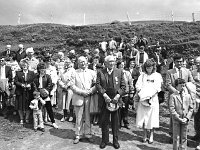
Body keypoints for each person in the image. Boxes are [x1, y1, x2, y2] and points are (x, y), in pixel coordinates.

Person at [96, 55, 125, 149]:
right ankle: (104, 140)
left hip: (115, 99)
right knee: (104, 121)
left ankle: (115, 141)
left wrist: (118, 95)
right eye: (110, 61)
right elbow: (98, 85)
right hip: (105, 100)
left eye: (113, 61)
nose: (112, 63)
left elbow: (123, 86)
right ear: (105, 63)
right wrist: (104, 95)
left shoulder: (119, 72)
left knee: (115, 122)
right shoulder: (101, 72)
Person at [166, 53, 194, 143]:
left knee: (185, 115)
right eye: (177, 62)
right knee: (173, 116)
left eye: (181, 61)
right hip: (174, 97)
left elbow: (191, 82)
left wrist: (186, 91)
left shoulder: (187, 71)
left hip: (185, 98)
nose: (179, 63)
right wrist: (176, 92)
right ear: (174, 62)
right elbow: (168, 84)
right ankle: (173, 136)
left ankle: (183, 136)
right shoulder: (170, 72)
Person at [135, 59, 163, 144]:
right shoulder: (142, 76)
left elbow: (158, 88)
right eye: (147, 67)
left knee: (152, 117)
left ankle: (151, 136)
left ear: (153, 67)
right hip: (143, 99)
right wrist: (142, 94)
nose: (148, 69)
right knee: (143, 117)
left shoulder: (157, 75)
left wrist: (150, 96)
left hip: (153, 99)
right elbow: (138, 85)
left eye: (150, 67)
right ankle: (144, 135)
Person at [71, 56, 96, 144]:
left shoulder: (92, 72)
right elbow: (72, 86)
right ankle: (78, 135)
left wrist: (90, 91)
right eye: (81, 62)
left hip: (89, 97)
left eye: (84, 61)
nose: (83, 63)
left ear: (87, 62)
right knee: (79, 117)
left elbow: (96, 84)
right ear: (78, 63)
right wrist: (82, 92)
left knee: (88, 117)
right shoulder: (74, 73)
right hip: (79, 97)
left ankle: (88, 134)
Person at [169, 78, 193, 150]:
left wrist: (187, 118)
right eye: (181, 86)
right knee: (176, 137)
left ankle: (183, 148)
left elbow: (191, 108)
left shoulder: (188, 96)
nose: (182, 87)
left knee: (184, 137)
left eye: (183, 86)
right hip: (177, 120)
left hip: (185, 119)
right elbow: (172, 109)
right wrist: (178, 118)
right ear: (176, 86)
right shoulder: (173, 96)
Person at [32, 62, 58, 129]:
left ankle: (53, 122)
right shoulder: (35, 76)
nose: (43, 70)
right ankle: (39, 123)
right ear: (39, 69)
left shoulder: (48, 76)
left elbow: (50, 85)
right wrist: (37, 93)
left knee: (49, 108)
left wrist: (46, 91)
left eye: (44, 69)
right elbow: (34, 85)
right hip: (38, 94)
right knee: (38, 109)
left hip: (45, 94)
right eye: (41, 69)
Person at [14, 59, 35, 124]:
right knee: (20, 105)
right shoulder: (18, 72)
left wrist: (30, 84)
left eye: (25, 65)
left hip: (28, 92)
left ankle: (27, 118)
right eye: (23, 65)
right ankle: (21, 119)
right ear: (21, 66)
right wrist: (21, 84)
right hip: (20, 91)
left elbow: (34, 81)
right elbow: (15, 81)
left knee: (28, 104)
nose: (24, 66)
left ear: (28, 65)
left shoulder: (32, 73)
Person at [117, 61, 134, 129]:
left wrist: (131, 92)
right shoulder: (115, 73)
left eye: (123, 65)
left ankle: (126, 122)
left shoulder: (127, 73)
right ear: (118, 66)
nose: (122, 66)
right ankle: (118, 123)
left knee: (125, 109)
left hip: (126, 94)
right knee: (118, 108)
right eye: (120, 65)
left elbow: (131, 83)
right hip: (118, 94)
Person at [58, 57, 75, 122]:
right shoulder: (61, 70)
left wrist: (67, 85)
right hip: (63, 88)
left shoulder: (72, 70)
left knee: (70, 102)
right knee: (64, 102)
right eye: (66, 62)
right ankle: (64, 115)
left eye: (68, 62)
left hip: (70, 88)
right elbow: (59, 79)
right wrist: (63, 85)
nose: (67, 64)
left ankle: (71, 115)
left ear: (70, 63)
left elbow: (73, 79)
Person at [191, 56, 200, 141]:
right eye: (196, 63)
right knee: (196, 116)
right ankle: (197, 133)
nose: (198, 65)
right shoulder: (193, 72)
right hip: (196, 97)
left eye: (199, 63)